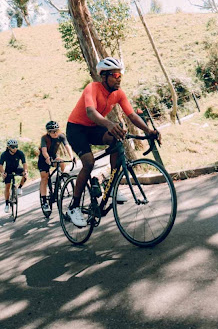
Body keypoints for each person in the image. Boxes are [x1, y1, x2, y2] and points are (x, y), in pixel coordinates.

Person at [65, 57, 160, 227]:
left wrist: (149, 131)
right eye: (115, 75)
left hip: (95, 128)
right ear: (104, 77)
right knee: (89, 162)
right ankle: (73, 207)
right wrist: (109, 123)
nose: (119, 78)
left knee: (117, 138)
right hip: (77, 128)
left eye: (120, 75)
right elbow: (91, 112)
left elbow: (132, 115)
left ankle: (112, 187)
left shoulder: (119, 93)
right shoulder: (92, 88)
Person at [39, 120, 74, 214]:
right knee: (44, 178)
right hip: (43, 158)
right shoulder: (44, 138)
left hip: (54, 156)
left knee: (62, 163)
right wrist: (47, 158)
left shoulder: (61, 136)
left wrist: (71, 157)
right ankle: (44, 201)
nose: (55, 133)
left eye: (56, 131)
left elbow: (67, 146)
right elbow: (44, 151)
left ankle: (60, 180)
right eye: (52, 131)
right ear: (48, 132)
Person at [0, 138, 28, 213]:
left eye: (16, 146)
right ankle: (6, 204)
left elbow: (24, 163)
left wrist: (25, 171)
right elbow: (1, 165)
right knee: (7, 186)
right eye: (13, 147)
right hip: (8, 170)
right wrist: (2, 172)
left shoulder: (20, 153)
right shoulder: (4, 154)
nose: (15, 148)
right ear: (9, 147)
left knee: (25, 176)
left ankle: (19, 188)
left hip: (17, 168)